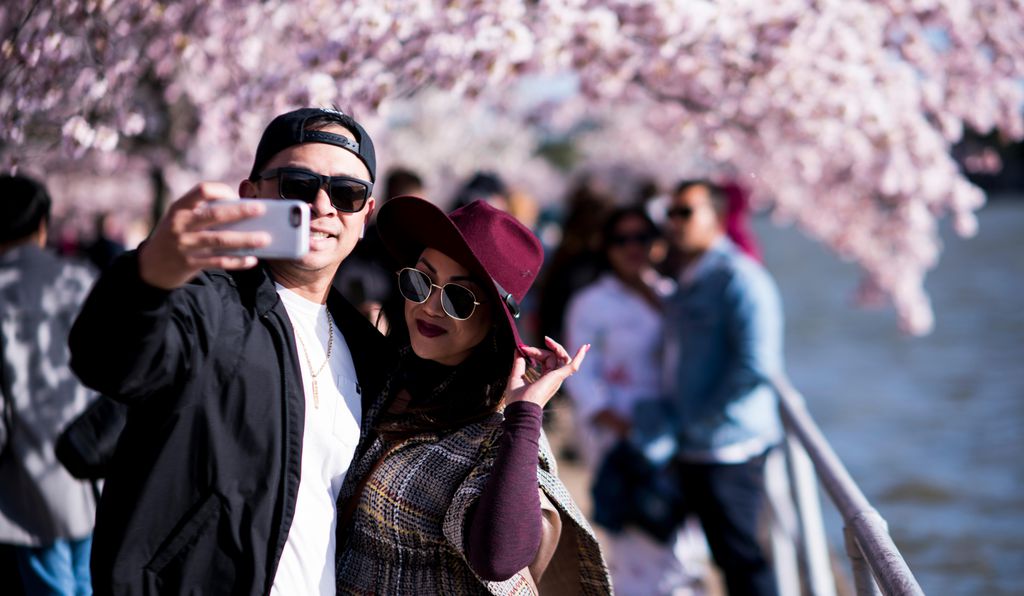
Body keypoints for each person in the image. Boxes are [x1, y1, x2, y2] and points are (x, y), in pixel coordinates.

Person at [67, 107, 391, 595]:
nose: (323, 206)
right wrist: (150, 275)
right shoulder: (209, 299)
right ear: (252, 194)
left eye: (347, 194)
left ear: (365, 216)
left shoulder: (367, 351)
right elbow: (110, 357)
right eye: (298, 186)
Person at [334, 196, 612, 594]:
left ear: (495, 323)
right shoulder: (386, 373)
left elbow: (498, 558)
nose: (430, 306)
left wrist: (527, 413)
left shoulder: (495, 430)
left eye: (458, 298)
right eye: (420, 280)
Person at [564, 206, 701, 594]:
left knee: (679, 537)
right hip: (616, 435)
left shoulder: (671, 296)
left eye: (642, 238)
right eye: (621, 240)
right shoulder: (591, 303)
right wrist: (612, 419)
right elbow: (580, 372)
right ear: (607, 248)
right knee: (631, 536)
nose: (632, 248)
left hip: (674, 435)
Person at [662, 180, 784, 596]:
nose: (673, 222)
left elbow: (756, 365)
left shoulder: (739, 278)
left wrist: (695, 418)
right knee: (726, 560)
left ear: (716, 216)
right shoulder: (692, 275)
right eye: (670, 212)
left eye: (685, 212)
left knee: (743, 561)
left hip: (728, 446)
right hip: (696, 443)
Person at [0, 174, 98, 596]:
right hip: (91, 459)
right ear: (42, 225)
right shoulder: (79, 278)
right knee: (89, 577)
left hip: (25, 465)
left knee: (51, 583)